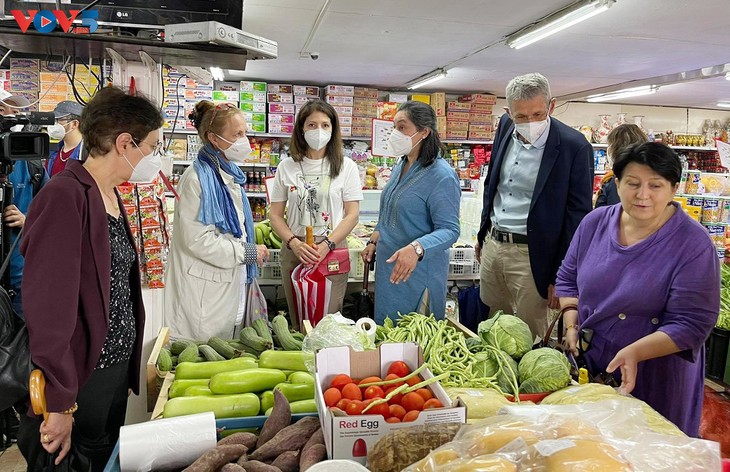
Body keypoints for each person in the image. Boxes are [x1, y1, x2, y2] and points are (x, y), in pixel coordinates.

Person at [17, 86, 163, 470]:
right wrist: (60, 400)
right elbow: (48, 307)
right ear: (125, 143)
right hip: (81, 374)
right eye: (151, 146)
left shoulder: (109, 194)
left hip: (111, 367)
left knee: (102, 455)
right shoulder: (65, 196)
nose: (154, 156)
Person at [556, 142, 720, 437]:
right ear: (617, 184)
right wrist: (571, 320)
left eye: (655, 185)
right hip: (594, 363)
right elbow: (568, 277)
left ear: (673, 189)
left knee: (650, 454)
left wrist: (634, 352)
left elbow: (693, 323)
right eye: (633, 183)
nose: (643, 195)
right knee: (594, 451)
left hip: (658, 373)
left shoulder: (693, 244)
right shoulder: (594, 223)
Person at [475, 73, 593, 338]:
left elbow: (578, 216)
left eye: (538, 115)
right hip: (494, 246)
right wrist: (483, 235)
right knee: (493, 326)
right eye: (521, 117)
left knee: (530, 335)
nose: (530, 123)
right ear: (508, 112)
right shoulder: (505, 126)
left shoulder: (574, 146)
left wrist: (562, 274)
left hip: (534, 257)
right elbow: (494, 185)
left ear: (551, 106)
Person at [165, 101, 269, 340]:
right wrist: (247, 252)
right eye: (237, 134)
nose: (246, 141)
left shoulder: (228, 174)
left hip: (225, 285)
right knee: (203, 357)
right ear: (214, 138)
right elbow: (199, 240)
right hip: (201, 293)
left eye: (245, 133)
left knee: (223, 350)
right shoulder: (197, 179)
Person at [361, 100, 460, 324]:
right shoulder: (401, 164)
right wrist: (375, 238)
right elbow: (391, 210)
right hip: (390, 271)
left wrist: (417, 248)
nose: (395, 134)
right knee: (387, 336)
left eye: (402, 128)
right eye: (394, 127)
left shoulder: (441, 176)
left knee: (413, 341)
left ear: (424, 132)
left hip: (417, 273)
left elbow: (450, 230)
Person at [269, 99, 363, 327]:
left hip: (331, 250)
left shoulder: (346, 167)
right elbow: (275, 215)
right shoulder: (287, 166)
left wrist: (327, 245)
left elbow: (352, 215)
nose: (318, 131)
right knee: (298, 320)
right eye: (312, 125)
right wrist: (293, 242)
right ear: (301, 129)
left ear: (333, 130)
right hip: (295, 251)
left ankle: (327, 362)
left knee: (328, 323)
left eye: (325, 125)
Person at [0, 94, 49, 318]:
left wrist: (27, 220)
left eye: (11, 111)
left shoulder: (31, 163)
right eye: (2, 110)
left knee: (21, 346)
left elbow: (54, 217)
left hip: (21, 277)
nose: (8, 117)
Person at [595, 123, 647, 207]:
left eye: (609, 146)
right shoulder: (644, 176)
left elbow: (615, 215)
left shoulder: (620, 180)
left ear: (616, 149)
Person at [46, 100, 85, 177]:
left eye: (59, 119)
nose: (55, 124)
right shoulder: (52, 152)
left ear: (74, 124)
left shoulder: (87, 155)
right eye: (54, 120)